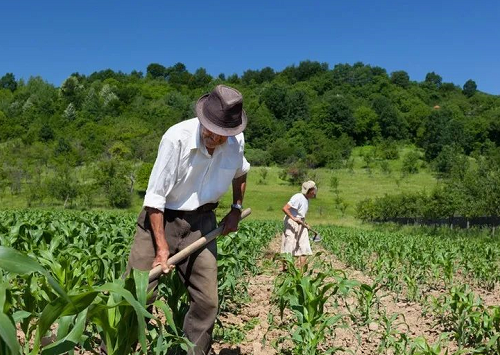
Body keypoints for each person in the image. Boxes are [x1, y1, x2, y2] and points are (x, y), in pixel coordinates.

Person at [126, 85, 250, 355]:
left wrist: (236, 208)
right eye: (211, 130)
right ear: (203, 118)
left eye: (222, 135)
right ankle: (114, 349)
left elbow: (241, 173)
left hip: (203, 223)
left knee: (207, 302)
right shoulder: (176, 138)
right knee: (136, 295)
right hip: (160, 221)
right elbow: (155, 199)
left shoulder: (235, 143)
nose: (215, 138)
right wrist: (161, 248)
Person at [281, 180, 317, 270]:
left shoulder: (307, 200)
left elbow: (301, 214)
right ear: (310, 191)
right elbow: (285, 208)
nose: (315, 191)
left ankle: (301, 274)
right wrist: (293, 218)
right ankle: (286, 269)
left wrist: (306, 223)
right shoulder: (298, 197)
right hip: (291, 222)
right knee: (289, 245)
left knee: (304, 246)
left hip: (300, 222)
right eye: (314, 190)